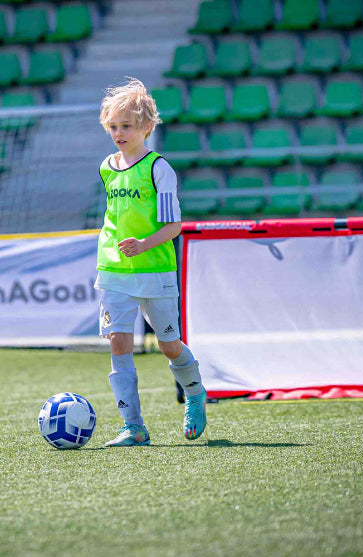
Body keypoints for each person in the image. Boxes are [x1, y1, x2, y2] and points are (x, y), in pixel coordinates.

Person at [95, 77, 206, 447]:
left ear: (147, 127)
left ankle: (194, 394)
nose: (119, 133)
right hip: (113, 269)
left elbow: (174, 225)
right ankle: (133, 426)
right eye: (113, 126)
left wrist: (144, 244)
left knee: (168, 345)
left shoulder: (159, 168)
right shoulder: (107, 167)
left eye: (126, 126)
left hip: (155, 269)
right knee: (118, 343)